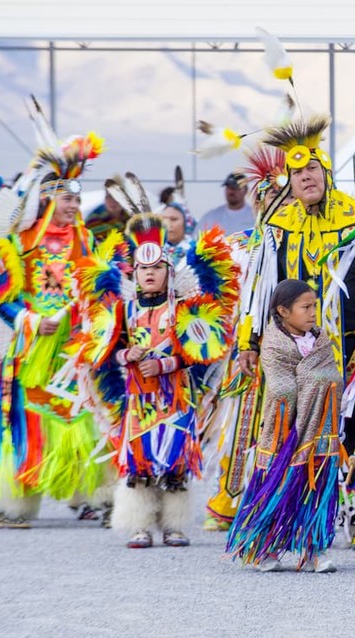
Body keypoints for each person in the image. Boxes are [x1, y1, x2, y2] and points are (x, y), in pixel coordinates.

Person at [0, 119, 111, 528]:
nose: (73, 207)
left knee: (83, 416)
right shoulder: (18, 242)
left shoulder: (84, 240)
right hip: (31, 346)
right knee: (21, 417)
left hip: (72, 348)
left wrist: (90, 322)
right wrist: (31, 320)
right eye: (65, 200)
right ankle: (16, 502)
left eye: (75, 200)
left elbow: (93, 289)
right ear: (45, 199)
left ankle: (95, 495)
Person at [235, 113, 355, 550]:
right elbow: (259, 287)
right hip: (293, 355)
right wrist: (248, 342)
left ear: (326, 171)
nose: (306, 178)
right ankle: (285, 520)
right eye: (297, 172)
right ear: (289, 179)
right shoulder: (277, 227)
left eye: (312, 170)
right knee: (288, 433)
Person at [76, 175, 239, 548]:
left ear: (169, 272)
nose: (150, 273)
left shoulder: (183, 309)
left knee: (176, 463)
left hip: (176, 397)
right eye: (143, 269)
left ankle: (174, 525)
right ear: (134, 272)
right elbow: (100, 350)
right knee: (139, 463)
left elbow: (202, 350)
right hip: (139, 399)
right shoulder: (124, 309)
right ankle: (138, 524)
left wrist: (165, 365)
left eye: (157, 268)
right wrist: (125, 354)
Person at [202, 144, 293, 531]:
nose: (271, 202)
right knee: (240, 425)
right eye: (265, 196)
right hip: (245, 351)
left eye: (278, 195)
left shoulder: (296, 243)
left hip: (288, 349)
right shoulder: (240, 247)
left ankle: (277, 499)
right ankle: (230, 499)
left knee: (283, 426)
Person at [226, 280, 345, 572]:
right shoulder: (273, 344)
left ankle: (313, 550)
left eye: (314, 306)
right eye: (305, 308)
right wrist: (315, 381)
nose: (312, 314)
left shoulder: (321, 340)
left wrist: (319, 380)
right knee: (276, 487)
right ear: (283, 311)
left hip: (318, 431)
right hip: (284, 430)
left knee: (315, 488)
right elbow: (282, 388)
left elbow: (332, 376)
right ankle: (264, 548)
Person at [161, 201, 196, 266]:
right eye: (163, 219)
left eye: (173, 219)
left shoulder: (195, 253)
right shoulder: (155, 249)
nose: (167, 224)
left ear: (186, 223)